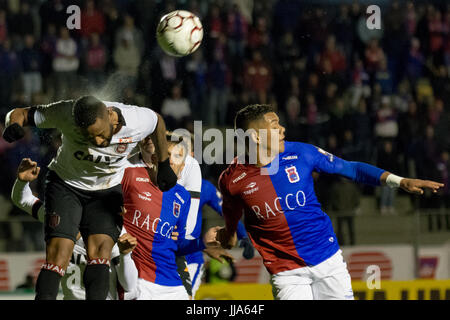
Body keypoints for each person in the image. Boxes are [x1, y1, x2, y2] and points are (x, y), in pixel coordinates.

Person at [210, 104, 444, 300]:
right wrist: (225, 237)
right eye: (274, 125)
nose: (283, 129)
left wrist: (399, 181)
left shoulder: (302, 153)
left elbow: (350, 168)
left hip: (328, 261)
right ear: (255, 136)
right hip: (286, 273)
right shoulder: (232, 180)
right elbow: (231, 223)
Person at [2, 96, 177, 300]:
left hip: (106, 191)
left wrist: (164, 163)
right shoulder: (67, 112)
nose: (98, 142)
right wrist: (13, 125)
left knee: (101, 254)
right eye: (89, 137)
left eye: (101, 135)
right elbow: (20, 113)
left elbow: (157, 121)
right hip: (66, 185)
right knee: (58, 255)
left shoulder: (136, 119)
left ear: (111, 116)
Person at [11, 158, 138, 300]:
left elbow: (130, 286)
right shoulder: (60, 217)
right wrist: (22, 182)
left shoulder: (111, 230)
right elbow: (24, 200)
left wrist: (125, 255)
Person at [185, 178, 255, 299]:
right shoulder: (154, 184)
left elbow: (228, 211)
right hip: (157, 256)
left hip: (189, 257)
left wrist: (243, 236)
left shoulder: (203, 187)